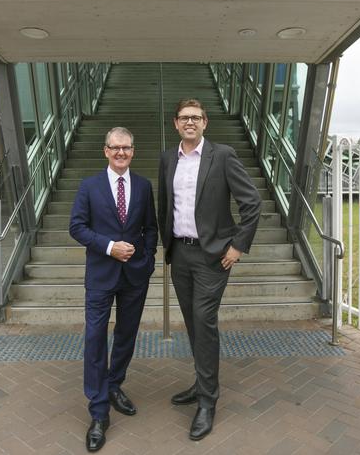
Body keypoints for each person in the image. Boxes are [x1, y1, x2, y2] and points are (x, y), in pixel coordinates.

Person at [158, 99, 261, 441]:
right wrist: (165, 245)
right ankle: (202, 382)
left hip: (212, 256)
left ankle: (207, 401)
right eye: (184, 118)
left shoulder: (223, 155)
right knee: (192, 323)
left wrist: (237, 246)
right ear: (176, 124)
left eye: (196, 118)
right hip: (181, 254)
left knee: (204, 320)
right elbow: (165, 205)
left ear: (205, 123)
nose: (190, 122)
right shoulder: (167, 158)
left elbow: (252, 202)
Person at [69, 127, 157, 452]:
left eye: (127, 148)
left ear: (133, 151)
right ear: (105, 150)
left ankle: (115, 383)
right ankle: (99, 412)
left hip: (135, 275)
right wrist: (109, 247)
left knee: (126, 335)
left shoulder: (145, 187)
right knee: (95, 338)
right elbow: (76, 227)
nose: (121, 153)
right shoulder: (89, 186)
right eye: (115, 148)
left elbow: (151, 228)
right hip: (101, 274)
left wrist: (147, 260)